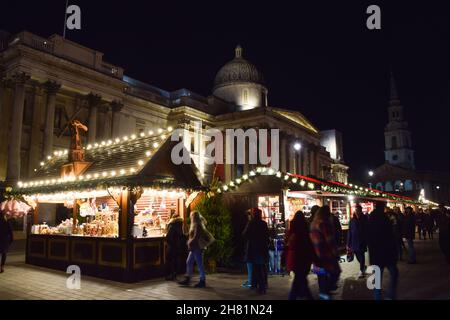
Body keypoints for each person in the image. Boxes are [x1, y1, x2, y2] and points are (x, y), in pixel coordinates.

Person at [367, 201, 399, 300]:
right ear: (383, 208)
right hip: (387, 252)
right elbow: (390, 237)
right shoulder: (385, 219)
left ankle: (377, 297)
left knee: (377, 277)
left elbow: (368, 238)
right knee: (394, 273)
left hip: (376, 254)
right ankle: (390, 295)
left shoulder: (371, 219)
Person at [310, 206, 341, 300]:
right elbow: (330, 240)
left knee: (322, 277)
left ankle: (324, 293)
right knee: (336, 272)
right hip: (326, 255)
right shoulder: (324, 223)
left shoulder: (313, 223)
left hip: (316, 255)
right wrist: (336, 253)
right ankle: (326, 291)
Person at [286, 211, 315, 300]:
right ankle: (302, 294)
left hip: (295, 257)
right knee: (301, 278)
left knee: (299, 278)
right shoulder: (306, 229)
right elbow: (310, 244)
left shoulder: (293, 229)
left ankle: (297, 295)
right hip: (305, 257)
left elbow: (288, 244)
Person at [178, 211, 211, 288]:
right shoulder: (194, 225)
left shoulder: (198, 225)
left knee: (199, 264)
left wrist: (189, 242)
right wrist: (184, 226)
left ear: (194, 217)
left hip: (197, 247)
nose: (190, 217)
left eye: (191, 216)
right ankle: (188, 278)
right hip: (194, 247)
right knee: (189, 262)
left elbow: (196, 237)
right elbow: (188, 234)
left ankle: (202, 280)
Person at [242, 208, 269, 294]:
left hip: (253, 248)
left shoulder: (251, 223)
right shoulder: (264, 223)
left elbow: (245, 234)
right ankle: (261, 285)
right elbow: (266, 236)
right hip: (261, 248)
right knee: (260, 267)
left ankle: (258, 286)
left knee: (255, 268)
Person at [347, 205, 368, 278]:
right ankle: (363, 266)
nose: (357, 211)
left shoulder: (365, 218)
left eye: (358, 210)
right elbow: (349, 231)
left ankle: (362, 270)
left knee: (361, 256)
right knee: (357, 255)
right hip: (354, 241)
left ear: (361, 210)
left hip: (362, 240)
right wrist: (348, 243)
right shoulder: (352, 220)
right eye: (356, 210)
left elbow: (367, 230)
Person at [165, 210, 185, 281]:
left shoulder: (172, 225)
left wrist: (170, 244)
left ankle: (171, 275)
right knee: (176, 260)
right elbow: (182, 236)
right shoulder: (181, 225)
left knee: (171, 260)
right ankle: (175, 274)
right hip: (178, 246)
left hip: (172, 246)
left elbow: (168, 237)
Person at [241, 209, 253, 288]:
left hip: (251, 247)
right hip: (258, 248)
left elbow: (244, 234)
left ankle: (250, 281)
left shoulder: (250, 223)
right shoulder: (262, 223)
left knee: (250, 265)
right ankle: (252, 281)